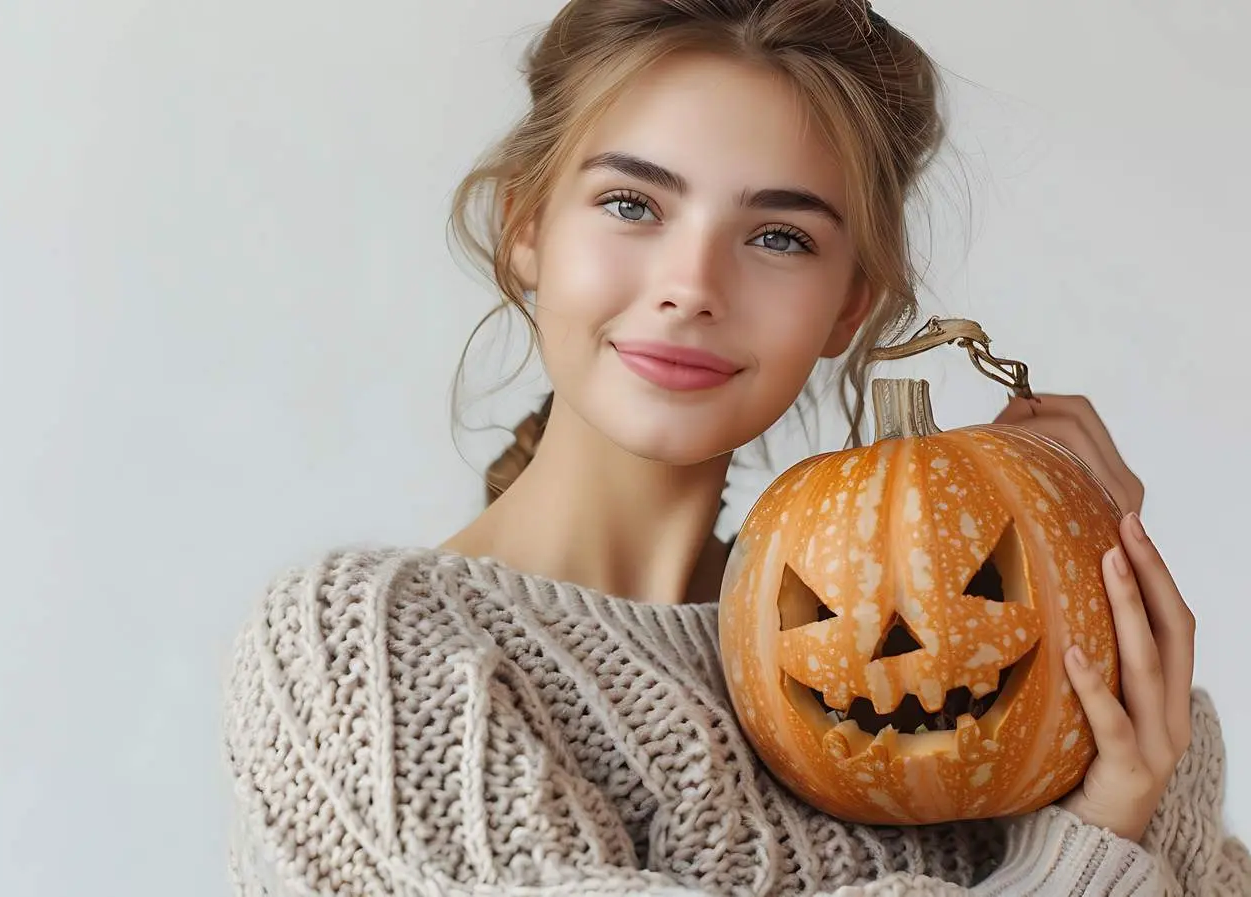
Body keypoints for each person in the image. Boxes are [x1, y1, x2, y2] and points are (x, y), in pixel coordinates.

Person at [221, 1, 1249, 893]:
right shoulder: (369, 645)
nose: (692, 284)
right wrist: (1087, 857)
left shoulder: (964, 658)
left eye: (777, 237)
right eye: (632, 204)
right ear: (522, 228)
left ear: (851, 306)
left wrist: (1085, 596)